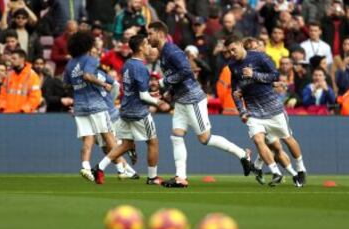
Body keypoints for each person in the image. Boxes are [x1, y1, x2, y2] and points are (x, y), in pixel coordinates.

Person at [147, 21, 254, 188]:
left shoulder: (171, 50)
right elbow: (177, 77)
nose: (148, 38)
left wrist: (162, 82)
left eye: (150, 34)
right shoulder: (164, 52)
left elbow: (186, 71)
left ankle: (242, 154)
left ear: (160, 34)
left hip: (192, 99)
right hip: (181, 100)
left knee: (205, 138)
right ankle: (180, 178)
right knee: (176, 135)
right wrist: (166, 92)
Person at [224, 35, 306, 187]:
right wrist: (242, 110)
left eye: (233, 49)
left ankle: (300, 169)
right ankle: (276, 172)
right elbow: (235, 90)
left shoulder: (260, 57)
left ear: (241, 44)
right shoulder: (232, 65)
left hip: (273, 108)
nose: (232, 53)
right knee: (257, 140)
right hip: (253, 111)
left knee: (287, 139)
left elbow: (275, 76)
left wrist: (254, 75)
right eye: (229, 51)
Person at [93, 35, 164, 186]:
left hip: (125, 110)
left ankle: (99, 167)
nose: (149, 47)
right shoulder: (141, 67)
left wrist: (151, 95)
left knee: (125, 144)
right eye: (146, 44)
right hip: (138, 112)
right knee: (153, 142)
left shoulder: (127, 64)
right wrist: (158, 102)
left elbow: (134, 91)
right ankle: (152, 178)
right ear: (140, 48)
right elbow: (143, 96)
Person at [63, 31, 122, 184]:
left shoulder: (70, 64)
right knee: (108, 136)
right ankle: (122, 169)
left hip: (80, 106)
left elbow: (67, 82)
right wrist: (103, 84)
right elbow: (87, 76)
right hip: (95, 103)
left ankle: (85, 166)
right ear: (88, 44)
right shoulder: (91, 59)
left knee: (88, 140)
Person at [0, 49, 41, 113]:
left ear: (22, 59)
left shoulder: (32, 76)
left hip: (23, 116)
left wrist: (24, 110)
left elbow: (35, 98)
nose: (11, 61)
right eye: (11, 58)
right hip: (7, 114)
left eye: (14, 58)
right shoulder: (9, 75)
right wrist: (2, 108)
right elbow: (2, 95)